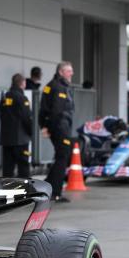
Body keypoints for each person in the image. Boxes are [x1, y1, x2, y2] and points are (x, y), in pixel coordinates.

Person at [40, 61, 75, 203]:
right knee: (63, 156)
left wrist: (44, 125)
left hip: (57, 126)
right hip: (60, 127)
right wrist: (48, 127)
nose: (71, 73)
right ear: (61, 72)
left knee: (61, 156)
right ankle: (55, 192)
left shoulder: (51, 85)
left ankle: (46, 186)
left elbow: (43, 109)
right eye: (68, 71)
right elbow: (56, 111)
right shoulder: (58, 87)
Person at [0, 74, 33, 178]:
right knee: (23, 166)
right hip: (21, 139)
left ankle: (6, 189)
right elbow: (26, 118)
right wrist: (31, 133)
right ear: (22, 83)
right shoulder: (22, 98)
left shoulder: (4, 97)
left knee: (7, 167)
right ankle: (24, 189)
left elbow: (2, 116)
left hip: (6, 139)